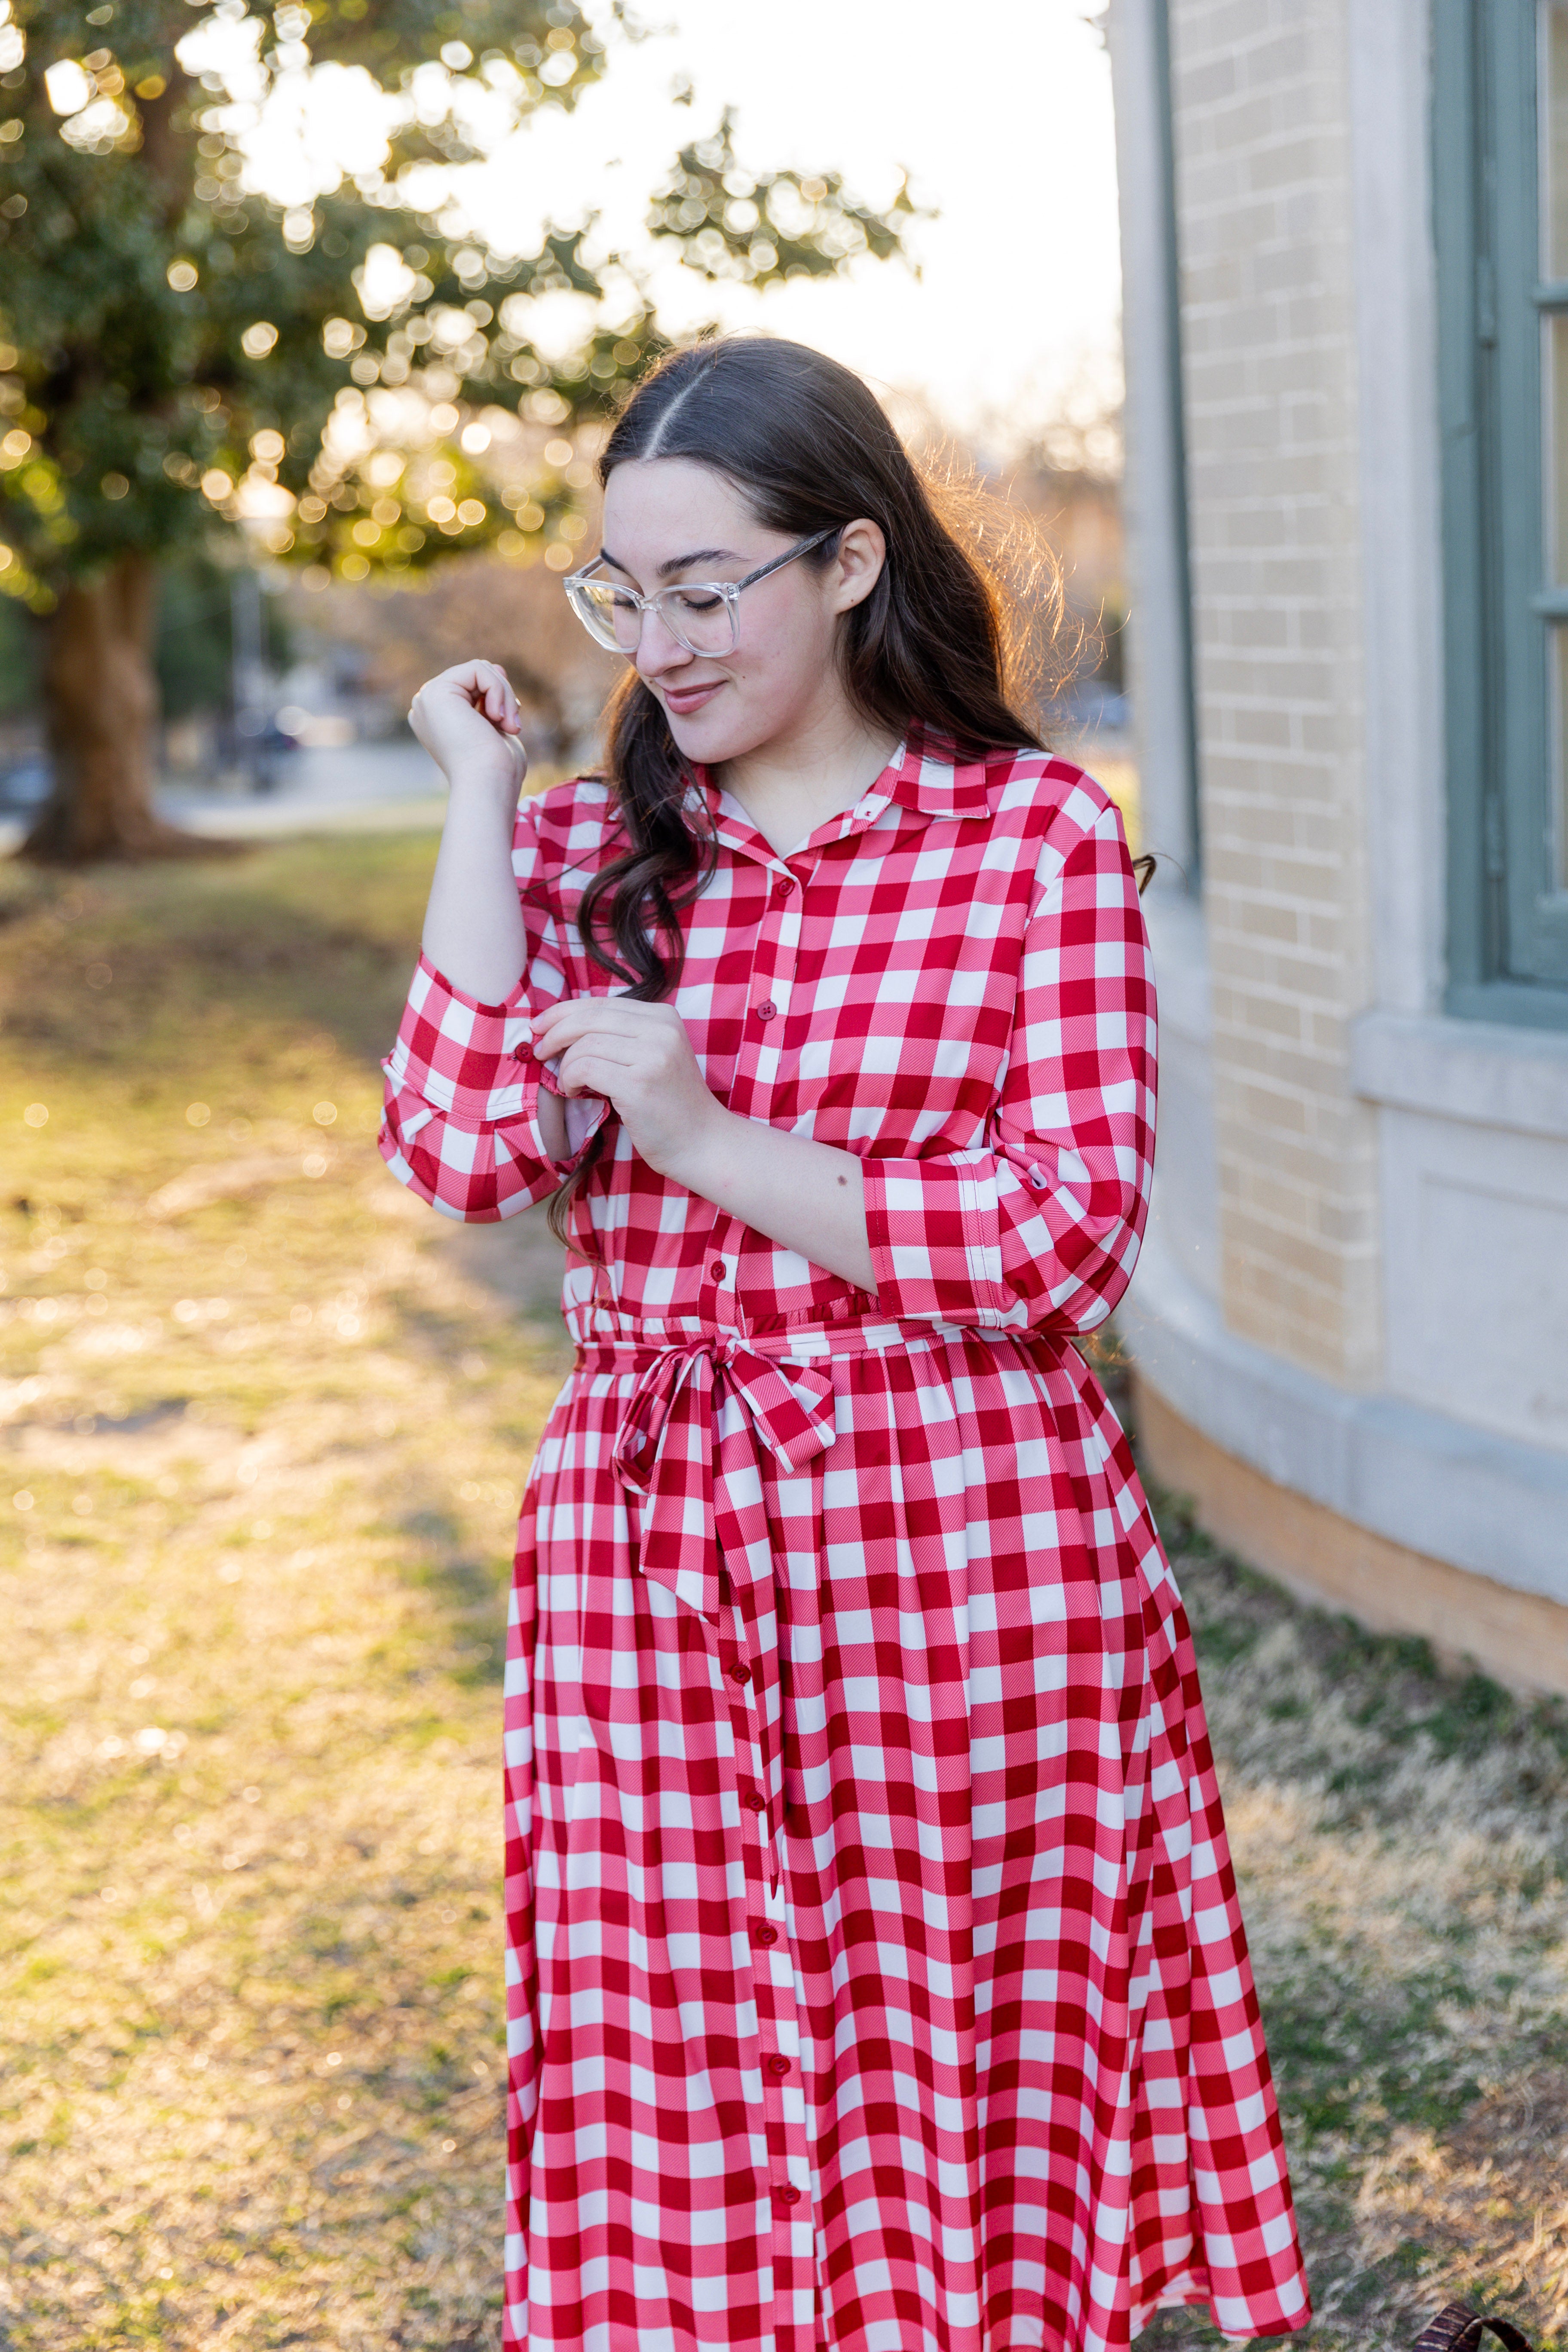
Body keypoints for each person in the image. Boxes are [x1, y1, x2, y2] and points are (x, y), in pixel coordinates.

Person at [381, 336, 1310, 2352]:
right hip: (651, 1553)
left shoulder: (1030, 841)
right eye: (623, 595)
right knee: (674, 2072)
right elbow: (458, 1152)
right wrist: (480, 798)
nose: (661, 646)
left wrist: (709, 1141)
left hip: (961, 1537)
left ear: (852, 561)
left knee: (959, 2066)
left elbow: (1065, 1239)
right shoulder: (580, 859)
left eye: (707, 589)